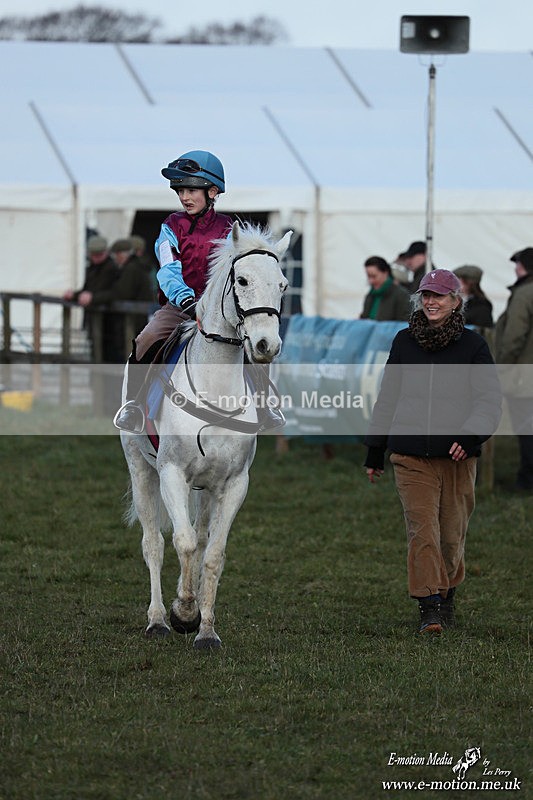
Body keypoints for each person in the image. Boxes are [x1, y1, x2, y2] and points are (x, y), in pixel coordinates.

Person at [363, 269, 502, 634]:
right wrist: (374, 450)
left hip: (457, 459)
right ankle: (430, 607)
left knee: (451, 536)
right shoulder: (404, 341)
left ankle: (447, 593)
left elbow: (488, 400)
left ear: (456, 301)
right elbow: (388, 396)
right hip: (410, 457)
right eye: (426, 295)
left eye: (439, 296)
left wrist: (471, 436)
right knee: (422, 531)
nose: (430, 301)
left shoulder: (474, 346)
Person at [113, 149, 285, 435]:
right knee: (147, 338)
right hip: (180, 307)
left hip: (222, 310)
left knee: (256, 344)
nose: (184, 197)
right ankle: (133, 406)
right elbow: (168, 269)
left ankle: (264, 405)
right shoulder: (170, 226)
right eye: (180, 190)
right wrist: (187, 300)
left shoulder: (232, 229)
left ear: (213, 191)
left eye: (192, 190)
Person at [77, 238, 156, 362]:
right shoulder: (137, 267)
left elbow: (120, 293)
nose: (115, 258)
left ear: (121, 254)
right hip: (136, 321)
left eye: (116, 255)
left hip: (133, 322)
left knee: (128, 356)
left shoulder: (131, 269)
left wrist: (94, 298)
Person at [494, 247, 533, 491]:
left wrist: (502, 365)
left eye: (518, 265)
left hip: (525, 376)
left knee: (527, 429)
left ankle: (528, 481)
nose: (515, 270)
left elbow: (514, 337)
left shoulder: (524, 295)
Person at [63, 234, 119, 360]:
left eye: (99, 254)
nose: (96, 258)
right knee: (97, 355)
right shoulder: (92, 268)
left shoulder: (112, 268)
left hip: (109, 323)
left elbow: (114, 293)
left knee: (107, 357)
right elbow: (88, 290)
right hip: (96, 321)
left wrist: (92, 298)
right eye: (94, 254)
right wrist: (74, 295)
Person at [360, 256, 410, 321]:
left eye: (374, 276)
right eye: (368, 277)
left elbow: (404, 323)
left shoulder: (401, 295)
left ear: (385, 273)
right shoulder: (370, 295)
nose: (371, 281)